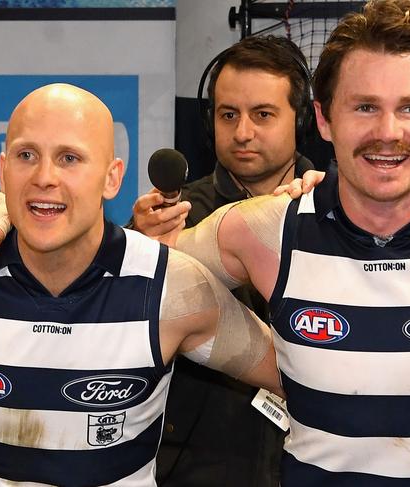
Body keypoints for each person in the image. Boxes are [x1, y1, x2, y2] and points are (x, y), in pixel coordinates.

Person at [0, 1, 410, 485]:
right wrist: (27, 211)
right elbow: (110, 272)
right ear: (324, 119)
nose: (387, 132)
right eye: (363, 107)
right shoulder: (261, 230)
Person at [0, 83, 282, 486]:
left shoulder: (172, 289)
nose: (45, 177)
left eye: (69, 158)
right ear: (3, 169)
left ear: (112, 178)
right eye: (27, 156)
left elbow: (307, 381)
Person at [129, 35, 313, 487]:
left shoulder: (337, 208)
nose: (243, 132)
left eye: (263, 114)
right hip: (195, 469)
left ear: (302, 118)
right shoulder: (171, 218)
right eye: (228, 115)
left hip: (317, 464)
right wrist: (136, 251)